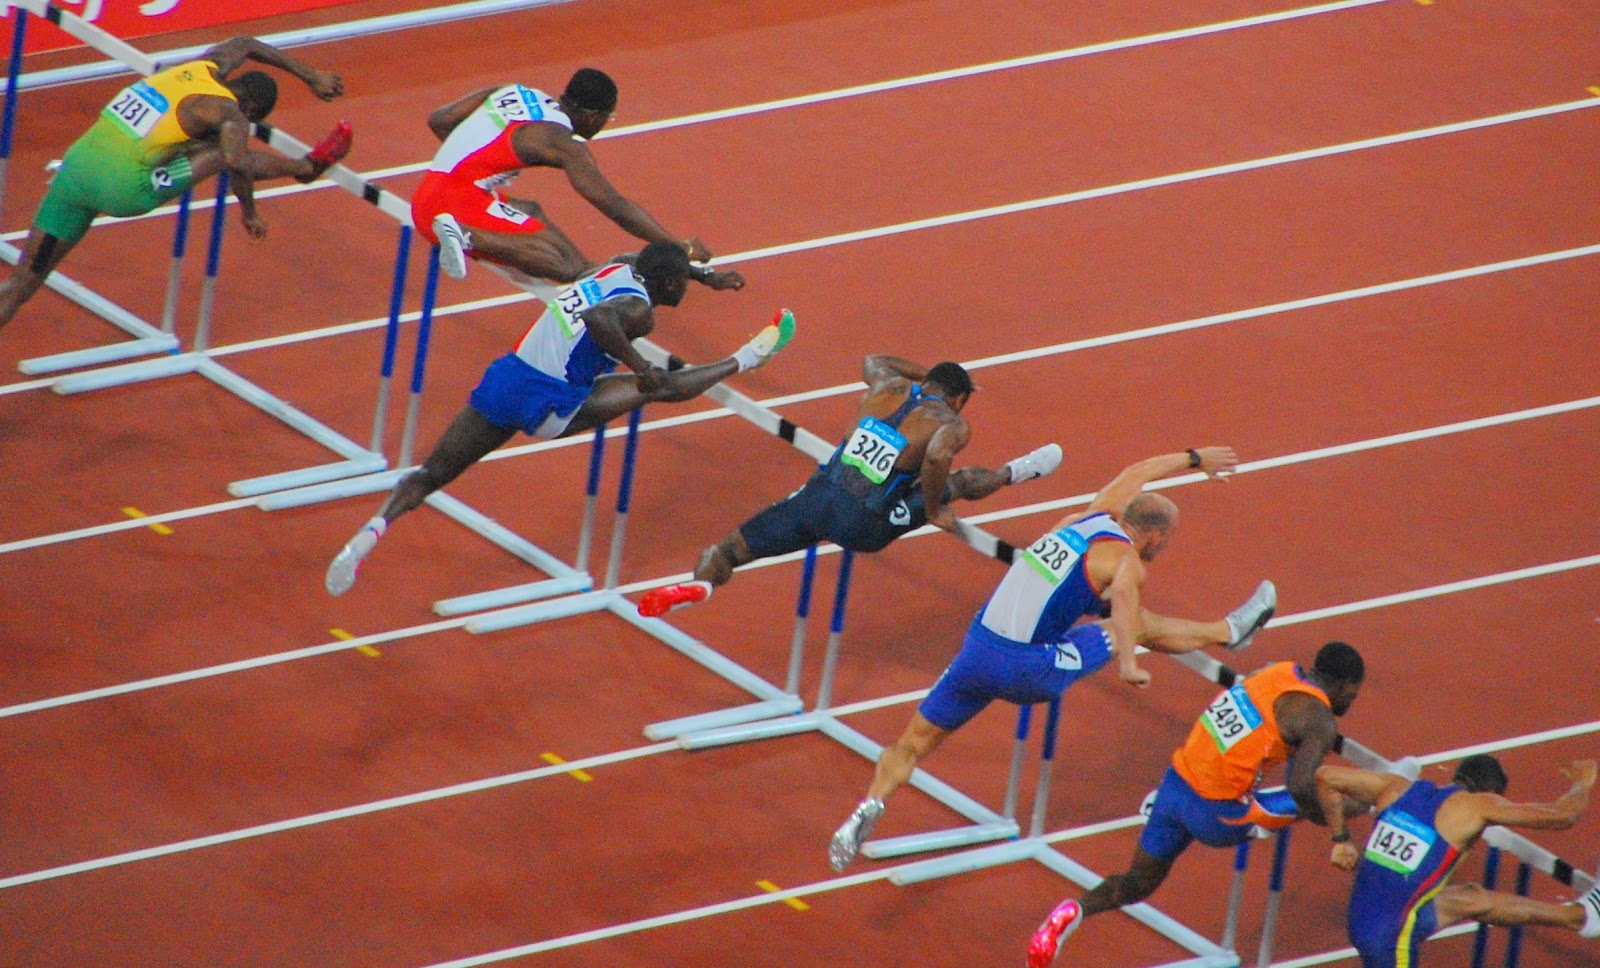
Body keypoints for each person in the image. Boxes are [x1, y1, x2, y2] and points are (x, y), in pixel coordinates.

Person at [826, 446, 1278, 871]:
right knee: (1132, 623)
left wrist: (1196, 458)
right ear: (1155, 537)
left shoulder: (1091, 515)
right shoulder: (1127, 562)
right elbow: (1125, 603)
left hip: (977, 650)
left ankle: (870, 803)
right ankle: (1229, 632)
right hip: (1029, 668)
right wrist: (1128, 663)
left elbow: (1137, 472)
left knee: (911, 743)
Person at [325, 240, 786, 596]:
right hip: (551, 402)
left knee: (430, 475)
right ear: (668, 285)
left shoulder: (617, 265)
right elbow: (601, 320)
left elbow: (644, 266)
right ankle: (748, 358)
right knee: (660, 386)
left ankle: (368, 536)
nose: (686, 287)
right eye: (683, 281)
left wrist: (704, 275)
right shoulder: (640, 312)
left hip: (508, 378)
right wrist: (639, 365)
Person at [636, 354, 1064, 618]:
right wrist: (934, 509)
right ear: (959, 400)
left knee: (727, 551)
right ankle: (1017, 472)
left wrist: (925, 378)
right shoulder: (952, 422)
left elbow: (873, 358)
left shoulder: (887, 386)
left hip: (816, 499)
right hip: (866, 525)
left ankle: (702, 585)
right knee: (960, 481)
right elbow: (936, 457)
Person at [1028, 639, 1369, 967]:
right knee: (1320, 798)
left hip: (1175, 787)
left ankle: (1075, 910)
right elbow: (1301, 788)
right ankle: (1375, 802)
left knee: (1137, 883)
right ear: (1346, 686)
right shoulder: (1319, 720)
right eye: (1354, 694)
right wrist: (1340, 832)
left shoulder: (1277, 670)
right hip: (1219, 815)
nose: (1352, 700)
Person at [0, 36, 351, 330]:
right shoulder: (230, 116)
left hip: (75, 170)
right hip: (123, 189)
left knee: (22, 283)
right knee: (222, 151)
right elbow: (237, 163)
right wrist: (250, 212)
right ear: (252, 111)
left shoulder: (202, 67)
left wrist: (311, 75)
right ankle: (306, 168)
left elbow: (246, 43)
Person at [414, 68, 719, 289]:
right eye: (608, 118)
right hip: (447, 210)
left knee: (536, 217)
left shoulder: (514, 92)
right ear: (593, 116)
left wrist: (477, 163)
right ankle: (465, 235)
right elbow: (612, 203)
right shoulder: (562, 143)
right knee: (567, 267)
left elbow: (439, 120)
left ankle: (614, 273)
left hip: (432, 191)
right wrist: (678, 247)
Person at [1316, 754, 1600, 967]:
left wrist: (1341, 839)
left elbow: (1326, 776)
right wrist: (1582, 783)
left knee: (1472, 899)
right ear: (1491, 792)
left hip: (1363, 916)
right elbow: (1562, 816)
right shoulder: (1476, 806)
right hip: (1391, 937)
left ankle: (1581, 917)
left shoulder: (1397, 788)